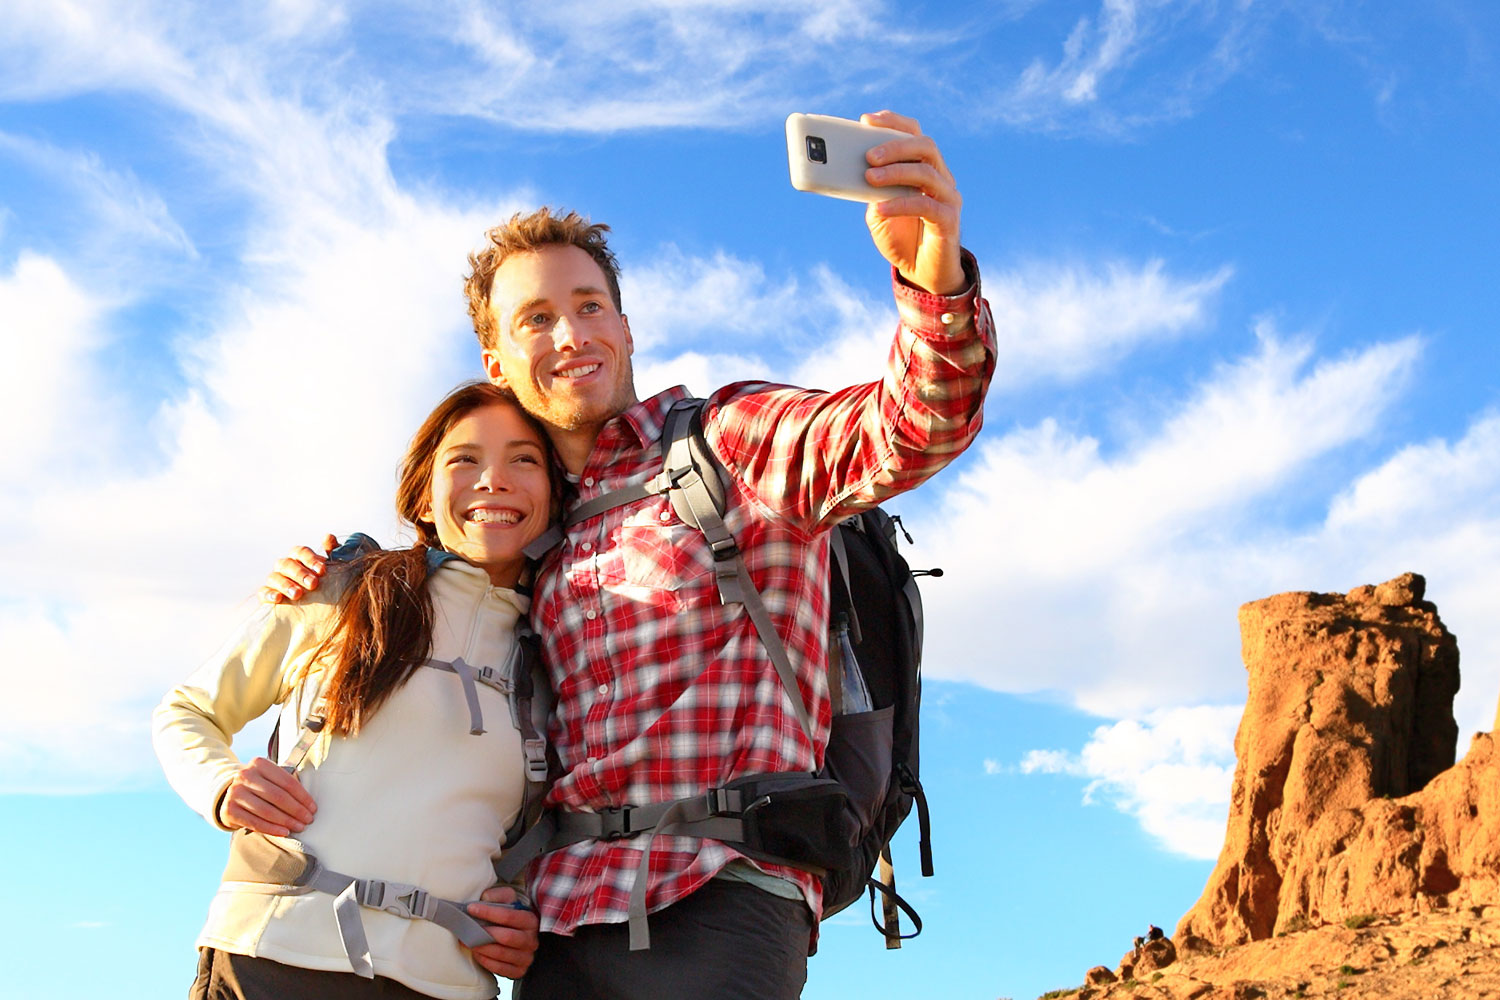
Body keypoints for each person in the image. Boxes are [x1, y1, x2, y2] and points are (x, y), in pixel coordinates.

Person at [266, 110, 996, 1000]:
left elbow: (911, 426)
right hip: (560, 930)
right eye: (536, 319)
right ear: (496, 359)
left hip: (723, 898)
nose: (571, 336)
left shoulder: (733, 443)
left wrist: (936, 278)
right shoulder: (527, 542)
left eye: (589, 307)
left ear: (626, 326)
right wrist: (333, 584)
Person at [156, 382, 551, 1000]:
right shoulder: (344, 589)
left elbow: (540, 836)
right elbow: (187, 710)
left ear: (555, 492)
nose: (493, 479)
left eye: (524, 459)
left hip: (442, 985)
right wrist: (223, 785)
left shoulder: (563, 653)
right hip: (272, 955)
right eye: (464, 459)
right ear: (422, 494)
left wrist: (523, 918)